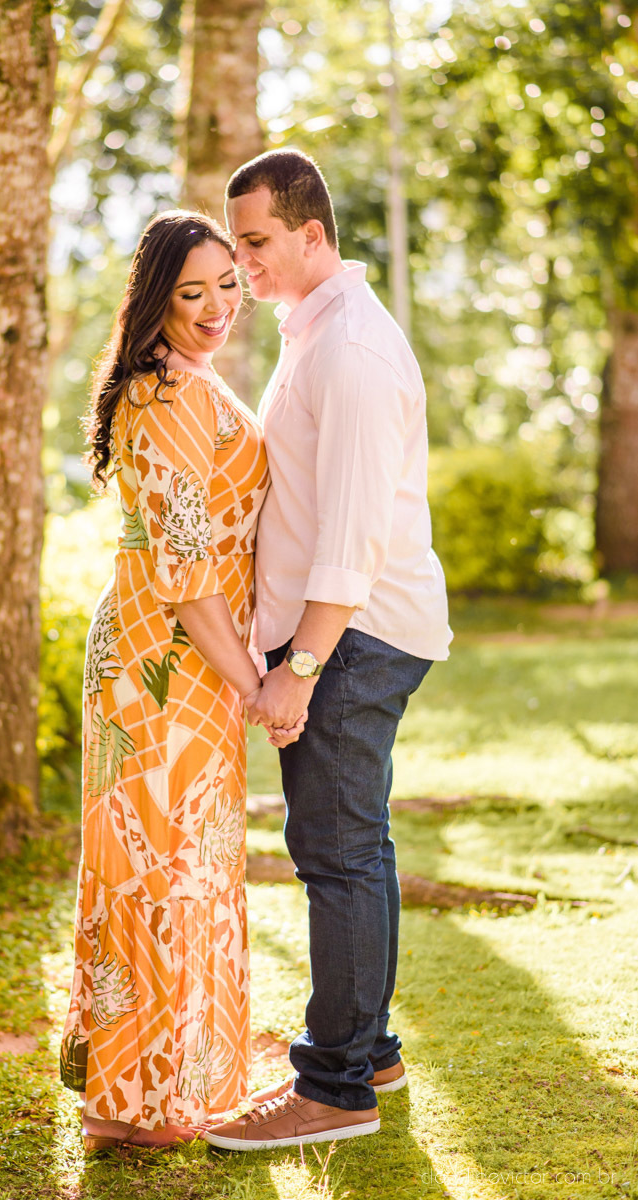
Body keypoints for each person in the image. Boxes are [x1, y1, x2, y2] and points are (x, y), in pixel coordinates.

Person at [205, 150, 452, 1152]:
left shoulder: (349, 346)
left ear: (313, 234)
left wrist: (297, 667)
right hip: (350, 632)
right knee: (354, 846)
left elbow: (348, 534)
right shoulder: (317, 331)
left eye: (256, 244)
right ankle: (371, 1048)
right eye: (238, 246)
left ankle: (336, 1086)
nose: (243, 266)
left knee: (337, 853)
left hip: (351, 636)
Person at [59, 210, 304, 1150]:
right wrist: (253, 682)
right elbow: (188, 571)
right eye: (190, 292)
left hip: (196, 663)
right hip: (163, 668)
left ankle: (170, 1088)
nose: (213, 310)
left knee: (188, 865)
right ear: (154, 297)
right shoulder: (159, 401)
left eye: (225, 288)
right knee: (153, 867)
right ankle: (132, 1103)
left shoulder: (188, 383)